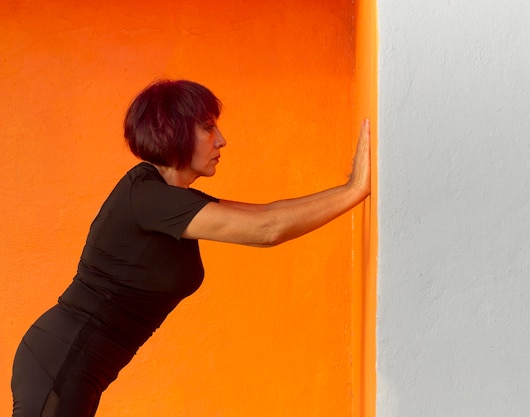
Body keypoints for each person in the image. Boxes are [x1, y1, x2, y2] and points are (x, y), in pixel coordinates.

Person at [10, 79, 371, 417]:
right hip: (64, 356)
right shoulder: (148, 197)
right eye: (208, 127)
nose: (221, 140)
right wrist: (355, 192)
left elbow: (268, 213)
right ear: (174, 132)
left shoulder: (168, 198)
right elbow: (267, 231)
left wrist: (351, 189)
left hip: (76, 358)